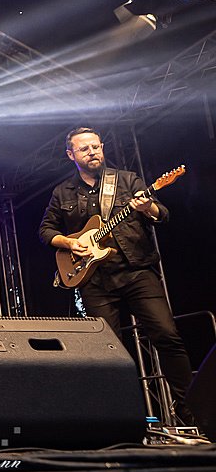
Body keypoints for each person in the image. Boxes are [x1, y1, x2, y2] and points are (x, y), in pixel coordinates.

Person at [38, 126, 194, 424]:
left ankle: (191, 412)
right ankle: (121, 418)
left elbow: (163, 214)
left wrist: (149, 207)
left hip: (137, 270)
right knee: (108, 352)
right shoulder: (63, 192)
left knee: (167, 335)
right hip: (94, 280)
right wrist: (71, 243)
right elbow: (46, 231)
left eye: (96, 146)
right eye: (84, 149)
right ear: (71, 154)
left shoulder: (127, 179)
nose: (92, 152)